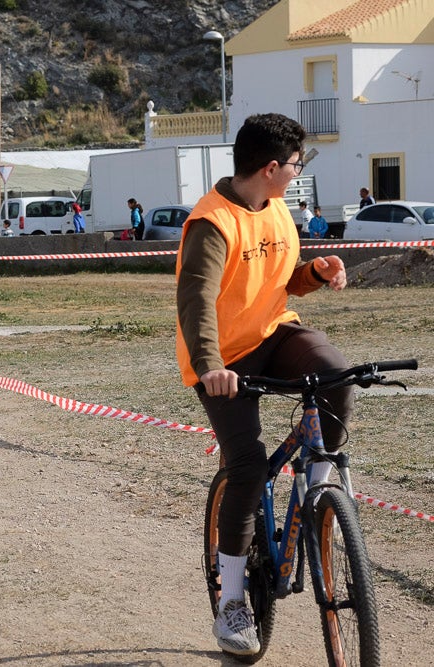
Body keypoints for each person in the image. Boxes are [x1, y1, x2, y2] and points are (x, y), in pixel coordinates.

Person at [175, 113, 352, 658]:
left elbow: (282, 279)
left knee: (337, 373)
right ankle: (232, 601)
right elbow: (196, 300)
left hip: (273, 334)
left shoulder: (276, 208)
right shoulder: (212, 223)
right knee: (248, 465)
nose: (299, 171)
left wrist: (315, 275)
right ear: (271, 168)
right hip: (222, 359)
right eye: (297, 164)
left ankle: (322, 489)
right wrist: (209, 366)